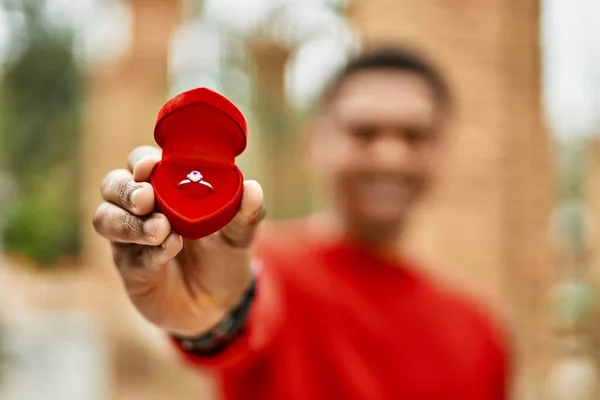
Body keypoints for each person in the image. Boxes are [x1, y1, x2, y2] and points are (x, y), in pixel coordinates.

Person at [93, 47, 512, 399]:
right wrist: (205, 320)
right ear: (314, 142)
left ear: (443, 149)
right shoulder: (263, 261)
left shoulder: (480, 330)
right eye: (364, 132)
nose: (390, 155)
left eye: (413, 135)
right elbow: (232, 313)